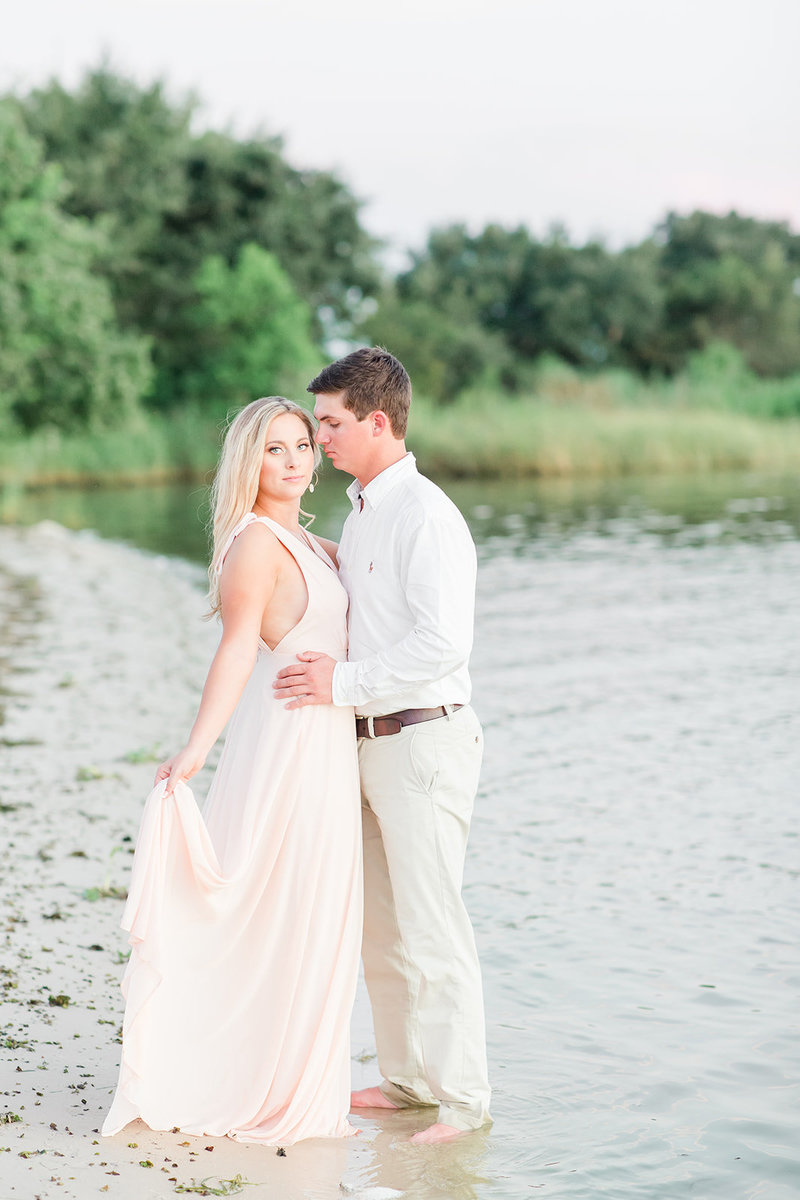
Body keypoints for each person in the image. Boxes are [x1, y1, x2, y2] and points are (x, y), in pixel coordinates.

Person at [103, 397, 362, 1146]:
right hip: (292, 745)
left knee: (311, 912)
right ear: (249, 461)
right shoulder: (255, 545)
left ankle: (291, 1073)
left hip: (324, 738)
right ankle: (254, 1080)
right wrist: (196, 748)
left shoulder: (307, 540)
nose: (293, 460)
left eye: (302, 445)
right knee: (286, 906)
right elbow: (239, 649)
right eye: (275, 448)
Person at [274, 348, 491, 1144]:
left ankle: (464, 1106)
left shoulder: (425, 515)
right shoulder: (363, 509)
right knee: (382, 930)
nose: (320, 439)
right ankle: (407, 1081)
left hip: (422, 739)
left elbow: (442, 644)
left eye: (330, 424)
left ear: (376, 421)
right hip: (365, 743)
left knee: (433, 929)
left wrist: (339, 682)